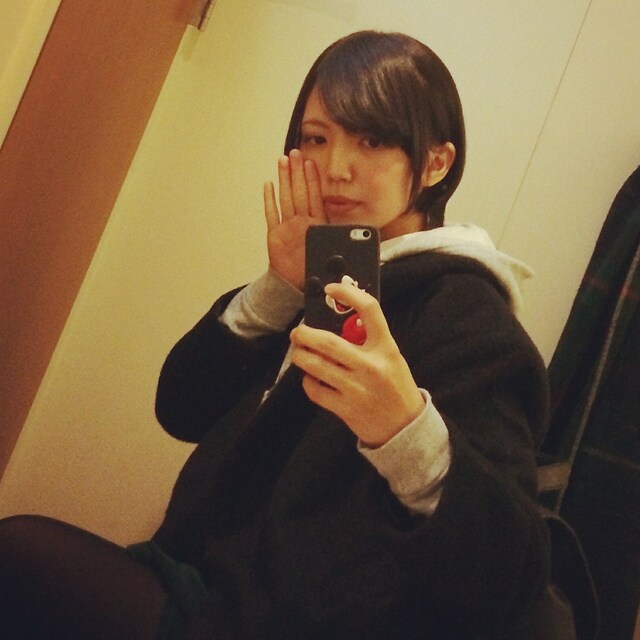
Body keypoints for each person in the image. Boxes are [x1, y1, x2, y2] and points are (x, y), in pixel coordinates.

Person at [0, 30, 561, 639]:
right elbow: (180, 409)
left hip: (264, 620)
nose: (335, 168)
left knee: (20, 557)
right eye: (316, 138)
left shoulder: (465, 314)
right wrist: (277, 289)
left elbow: (512, 574)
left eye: (372, 140)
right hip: (196, 578)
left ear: (435, 162)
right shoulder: (333, 276)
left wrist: (405, 430)